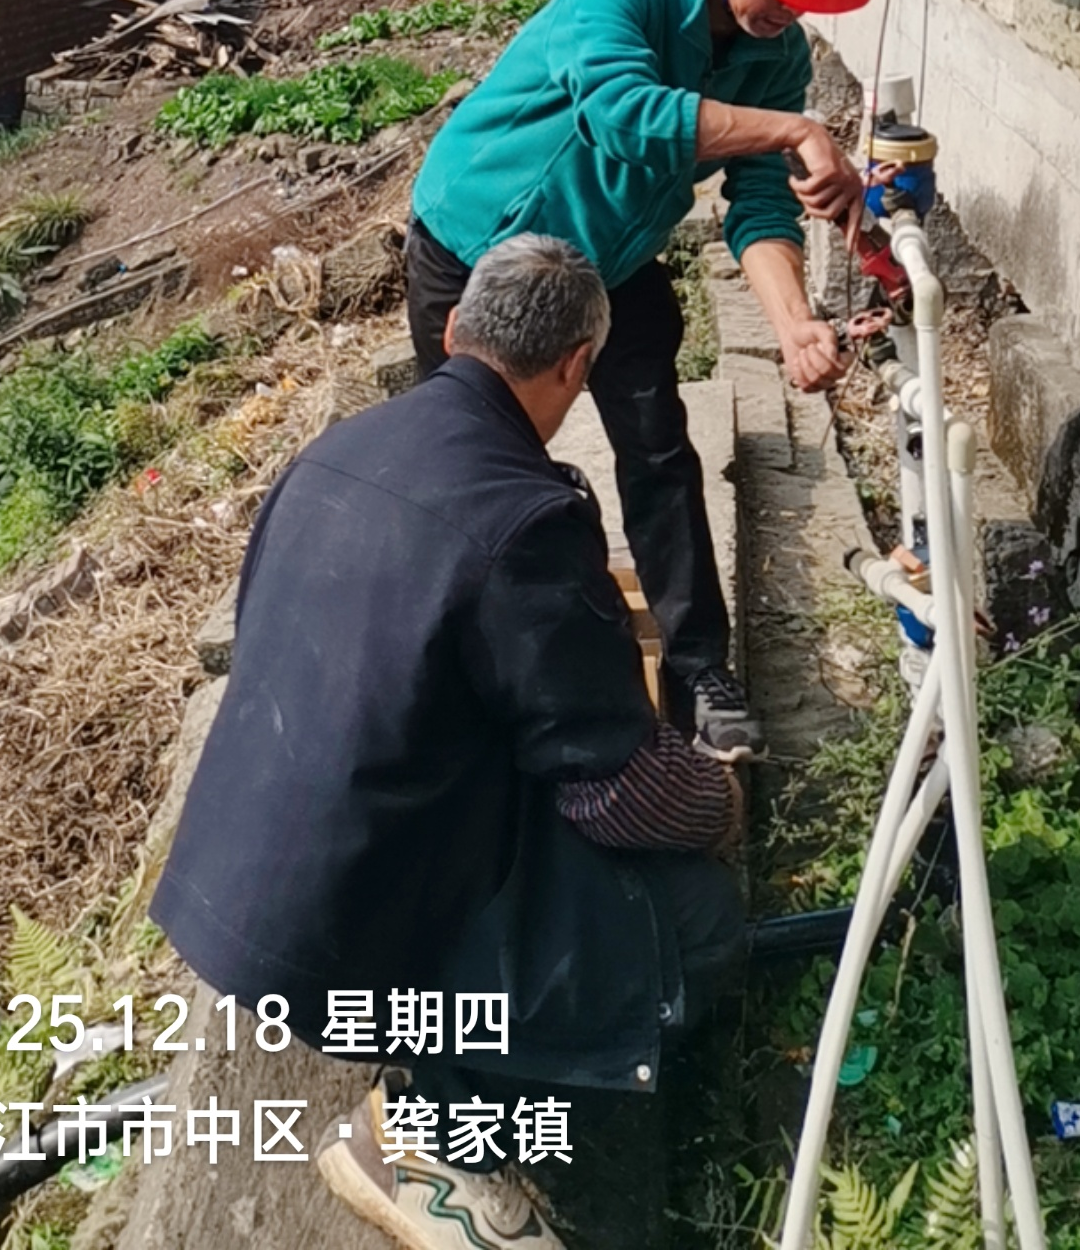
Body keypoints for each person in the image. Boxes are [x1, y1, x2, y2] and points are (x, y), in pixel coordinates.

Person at [152, 235, 746, 1250]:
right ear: (576, 366)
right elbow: (613, 784)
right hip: (346, 936)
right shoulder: (525, 519)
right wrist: (717, 801)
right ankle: (427, 1138)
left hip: (232, 893)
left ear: (456, 328)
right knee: (694, 930)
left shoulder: (336, 449)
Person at [404, 0, 873, 757]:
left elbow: (759, 207)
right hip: (479, 249)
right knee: (472, 466)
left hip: (609, 264)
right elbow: (622, 114)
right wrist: (793, 130)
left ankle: (698, 673)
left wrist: (794, 324)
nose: (790, 10)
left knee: (659, 451)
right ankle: (457, 673)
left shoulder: (775, 55)